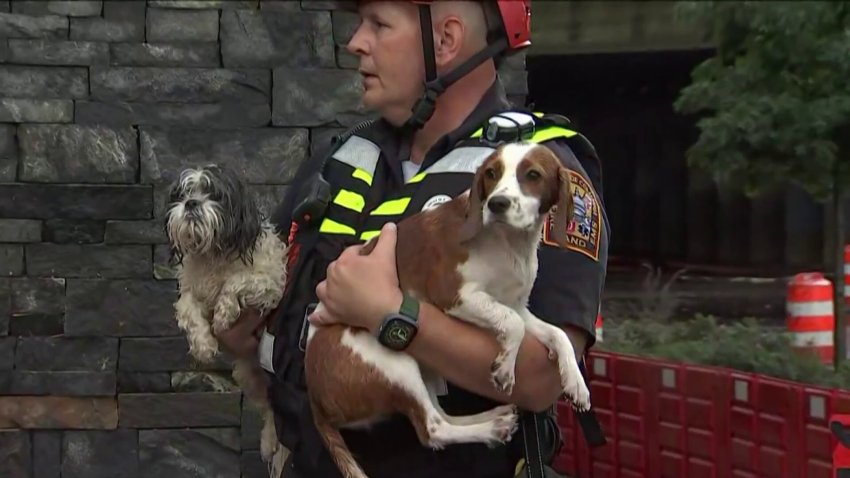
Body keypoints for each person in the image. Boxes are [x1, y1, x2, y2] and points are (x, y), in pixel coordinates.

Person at [217, 1, 610, 477]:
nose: (356, 42)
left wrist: (390, 315)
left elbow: (540, 377)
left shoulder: (542, 174)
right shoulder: (340, 159)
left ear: (446, 39)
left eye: (379, 24)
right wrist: (241, 323)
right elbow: (270, 308)